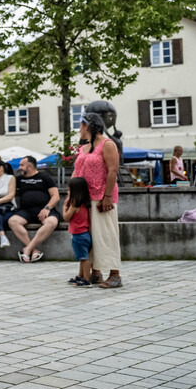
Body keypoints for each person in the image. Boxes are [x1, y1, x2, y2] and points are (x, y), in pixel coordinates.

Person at [73, 113, 123, 289]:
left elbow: (113, 170)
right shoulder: (84, 147)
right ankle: (95, 272)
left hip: (102, 197)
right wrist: (71, 195)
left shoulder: (107, 144)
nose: (79, 129)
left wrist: (107, 196)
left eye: (80, 125)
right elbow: (77, 172)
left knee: (106, 234)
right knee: (91, 236)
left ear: (87, 126)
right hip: (85, 198)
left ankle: (115, 274)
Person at [6, 156, 61, 262]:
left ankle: (27, 249)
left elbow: (56, 196)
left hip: (44, 210)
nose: (19, 168)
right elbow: (5, 188)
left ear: (30, 166)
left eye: (22, 165)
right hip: (26, 211)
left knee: (51, 222)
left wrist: (47, 208)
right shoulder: (19, 179)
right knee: (13, 221)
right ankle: (33, 249)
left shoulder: (45, 177)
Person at [63, 177, 93, 287]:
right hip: (85, 234)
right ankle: (81, 276)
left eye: (69, 190)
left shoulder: (74, 205)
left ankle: (86, 280)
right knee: (82, 257)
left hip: (79, 236)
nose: (67, 192)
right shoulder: (85, 204)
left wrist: (64, 206)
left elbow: (66, 217)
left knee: (84, 258)